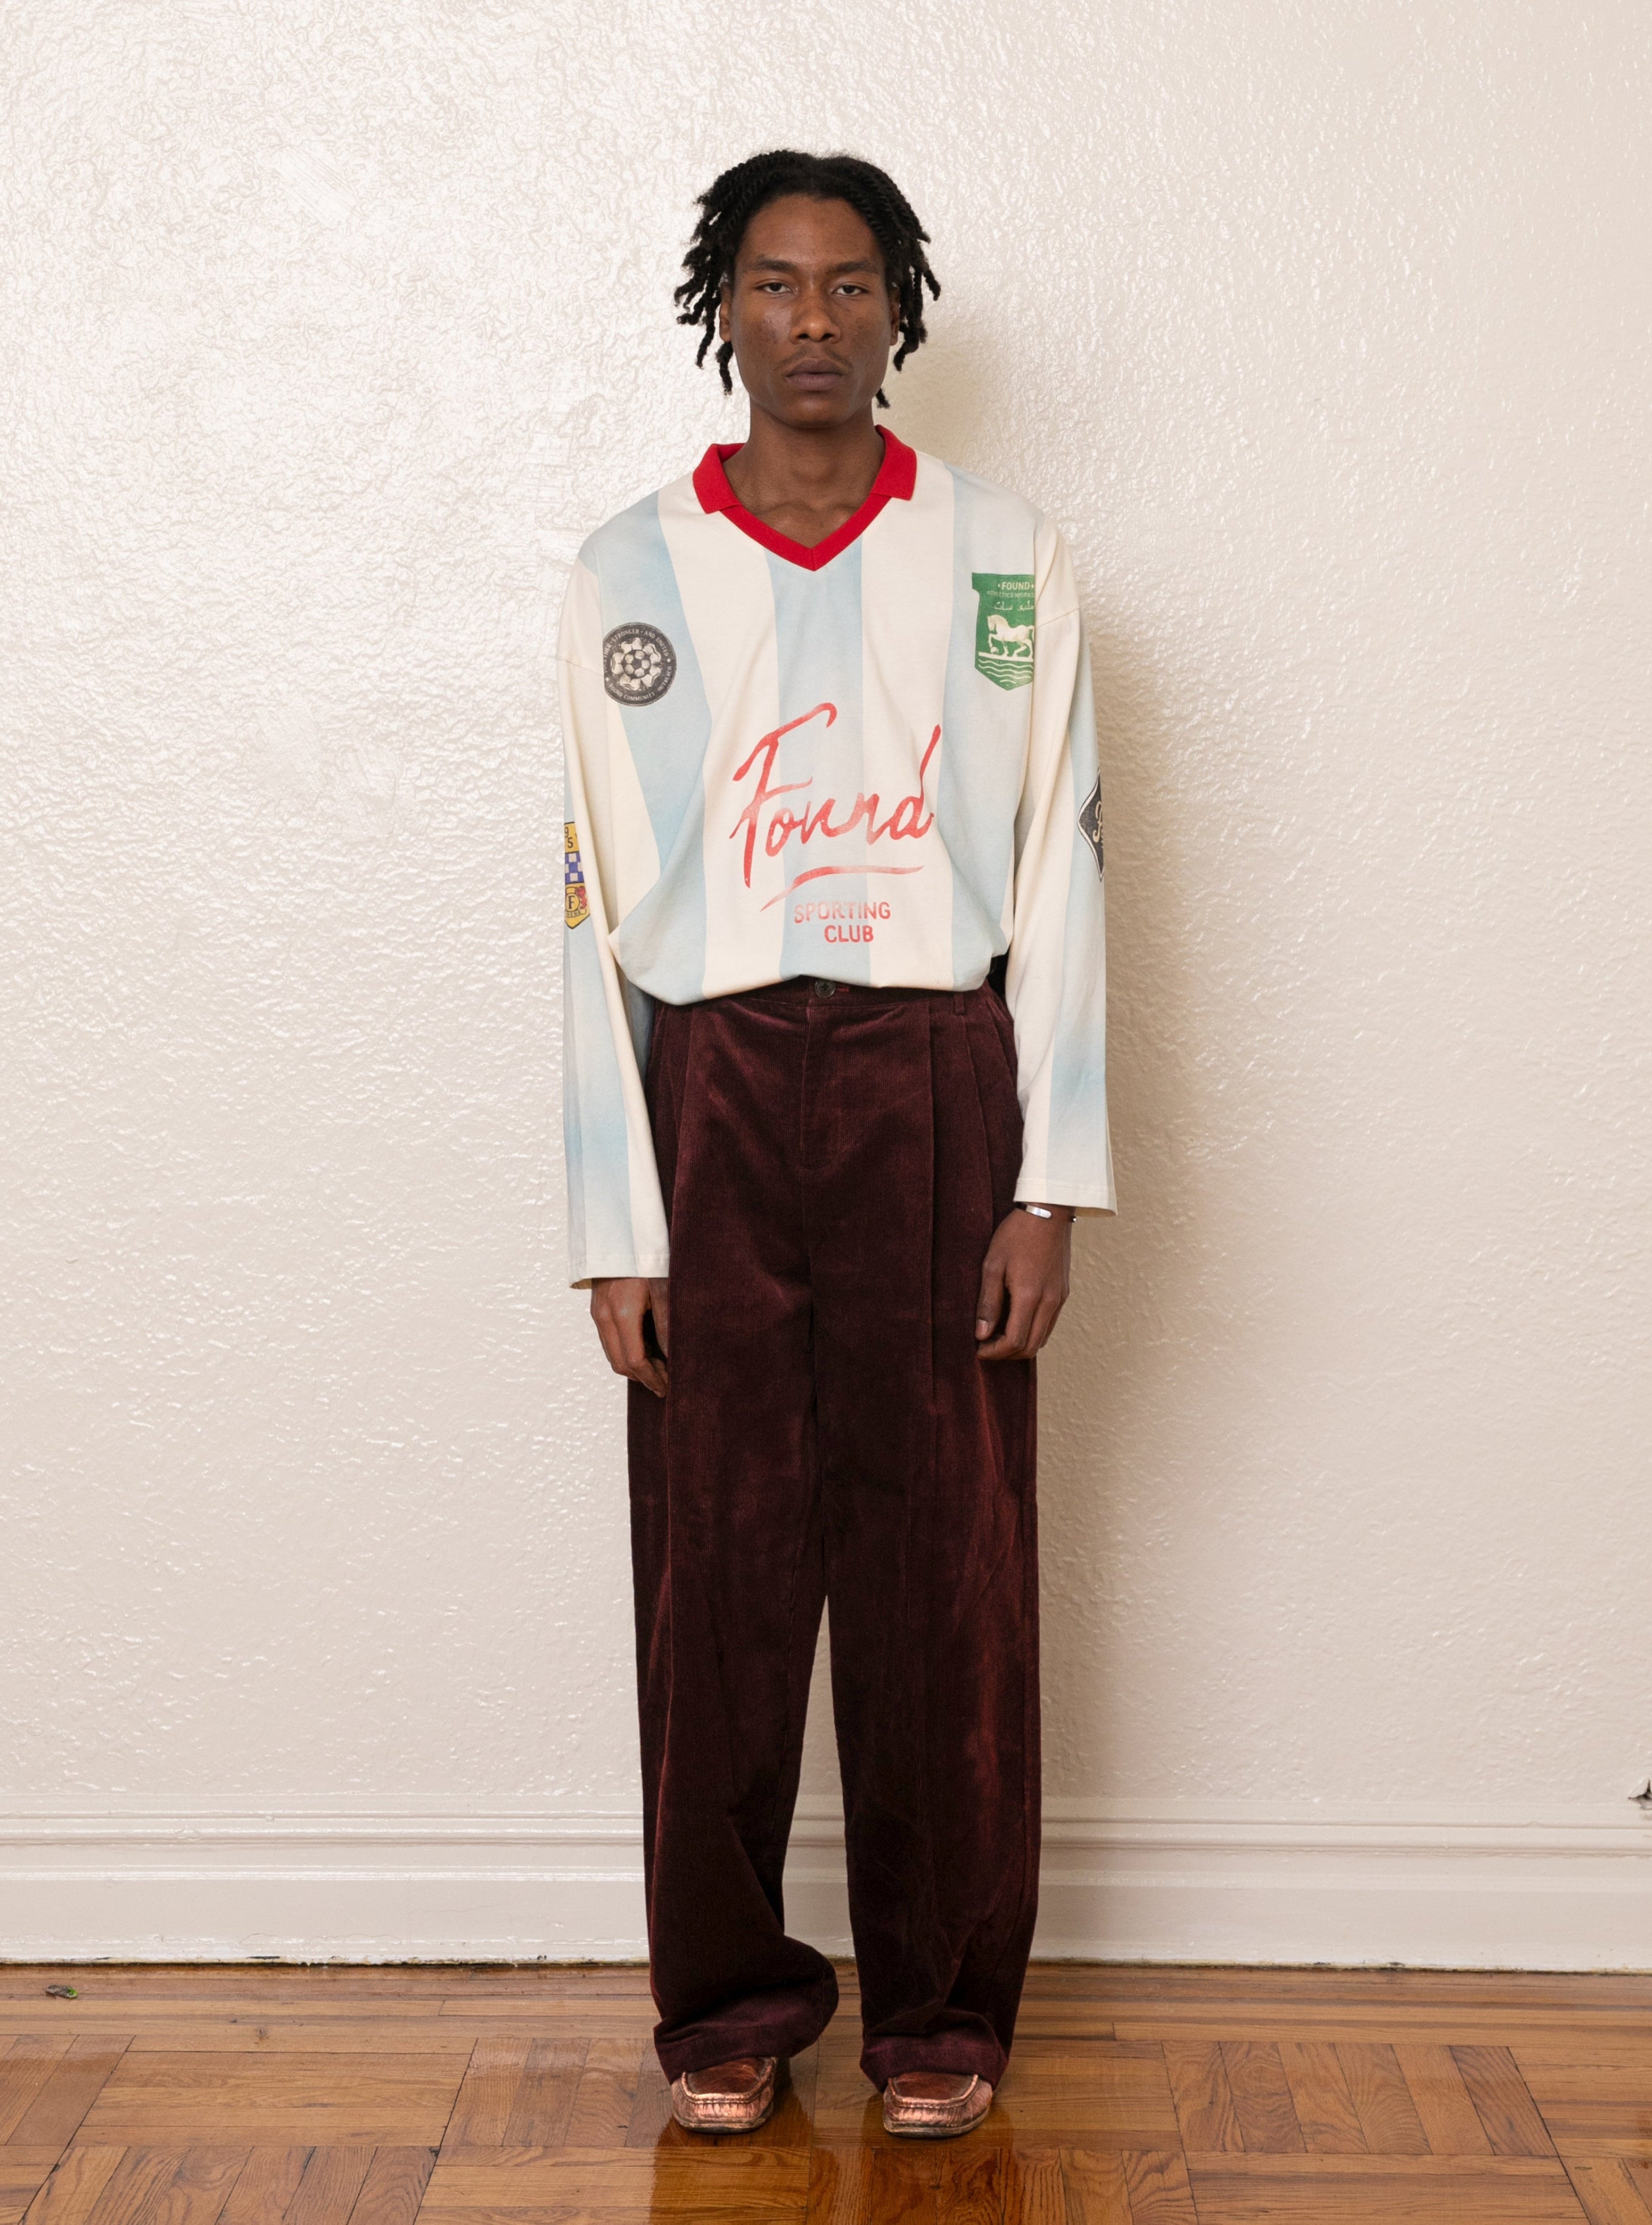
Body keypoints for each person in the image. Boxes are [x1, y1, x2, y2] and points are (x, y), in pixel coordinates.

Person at [557, 149, 1114, 2141]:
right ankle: (723, 2006)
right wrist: (614, 1221)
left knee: (941, 1565)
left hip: (935, 1085)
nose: (814, 320)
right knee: (714, 1564)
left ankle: (940, 2019)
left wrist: (1049, 1182)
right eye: (776, 285)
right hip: (706, 1089)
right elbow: (588, 911)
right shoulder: (629, 571)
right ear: (726, 307)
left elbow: (1059, 867)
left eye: (851, 284)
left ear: (901, 309)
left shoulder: (1002, 553)